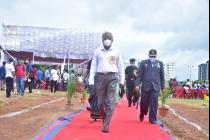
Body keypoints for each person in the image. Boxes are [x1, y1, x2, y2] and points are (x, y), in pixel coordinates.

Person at [89, 31, 125, 133]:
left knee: (111, 101)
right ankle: (105, 118)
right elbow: (93, 66)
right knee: (100, 103)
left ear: (112, 40)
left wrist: (122, 79)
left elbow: (120, 66)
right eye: (105, 39)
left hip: (113, 77)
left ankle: (106, 124)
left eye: (109, 39)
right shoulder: (97, 51)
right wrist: (91, 79)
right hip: (100, 77)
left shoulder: (116, 51)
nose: (107, 40)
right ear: (102, 40)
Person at [135, 49, 165, 124]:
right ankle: (142, 112)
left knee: (154, 103)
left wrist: (163, 87)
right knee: (143, 102)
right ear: (148, 55)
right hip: (145, 86)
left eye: (154, 56)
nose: (152, 58)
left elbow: (162, 76)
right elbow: (139, 75)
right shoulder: (143, 63)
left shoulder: (160, 63)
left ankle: (153, 119)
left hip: (156, 86)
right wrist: (137, 84)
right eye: (151, 56)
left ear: (156, 56)